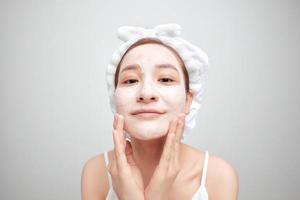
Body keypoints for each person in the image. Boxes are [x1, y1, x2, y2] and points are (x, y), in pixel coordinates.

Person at [81, 24, 239, 200]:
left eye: (165, 79)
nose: (146, 94)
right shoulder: (96, 172)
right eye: (130, 80)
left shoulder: (218, 176)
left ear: (188, 101)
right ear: (114, 97)